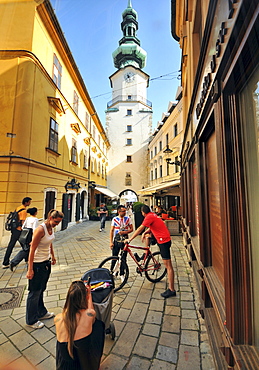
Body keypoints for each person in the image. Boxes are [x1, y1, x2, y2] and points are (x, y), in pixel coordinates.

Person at [125, 205, 176, 299]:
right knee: (148, 236)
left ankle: (171, 289)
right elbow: (152, 225)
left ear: (143, 212)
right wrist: (145, 233)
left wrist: (130, 239)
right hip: (161, 238)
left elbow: (140, 228)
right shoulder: (153, 215)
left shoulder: (149, 217)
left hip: (163, 240)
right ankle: (146, 253)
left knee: (168, 266)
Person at [26, 209, 64, 329]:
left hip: (45, 263)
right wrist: (30, 269)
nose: (57, 224)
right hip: (37, 264)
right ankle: (31, 320)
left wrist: (52, 255)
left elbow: (50, 242)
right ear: (50, 218)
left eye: (59, 222)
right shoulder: (40, 229)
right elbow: (32, 249)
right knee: (34, 291)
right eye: (56, 222)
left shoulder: (51, 228)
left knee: (41, 289)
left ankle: (41, 312)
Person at [55, 280, 105, 370]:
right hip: (85, 361)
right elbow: (91, 311)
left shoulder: (58, 318)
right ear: (84, 297)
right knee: (99, 326)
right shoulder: (89, 315)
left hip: (65, 362)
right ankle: (95, 362)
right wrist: (89, 294)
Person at [2, 197, 32, 268]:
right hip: (19, 230)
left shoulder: (18, 208)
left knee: (20, 245)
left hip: (14, 229)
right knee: (25, 245)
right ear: (26, 202)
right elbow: (22, 221)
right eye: (29, 202)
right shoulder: (24, 211)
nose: (30, 203)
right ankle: (6, 262)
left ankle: (27, 258)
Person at [10, 207, 39, 271]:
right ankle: (14, 262)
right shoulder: (35, 220)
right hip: (30, 235)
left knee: (27, 249)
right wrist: (35, 237)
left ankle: (28, 263)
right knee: (26, 250)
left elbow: (23, 226)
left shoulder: (28, 218)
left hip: (25, 234)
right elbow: (34, 229)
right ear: (35, 212)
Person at [110, 205, 133, 278]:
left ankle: (122, 273)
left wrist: (125, 232)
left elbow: (132, 229)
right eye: (123, 211)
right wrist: (111, 242)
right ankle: (111, 271)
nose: (125, 212)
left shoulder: (128, 219)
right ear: (119, 212)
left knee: (123, 257)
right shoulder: (115, 219)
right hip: (116, 240)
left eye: (125, 211)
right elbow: (112, 230)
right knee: (114, 256)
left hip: (125, 240)